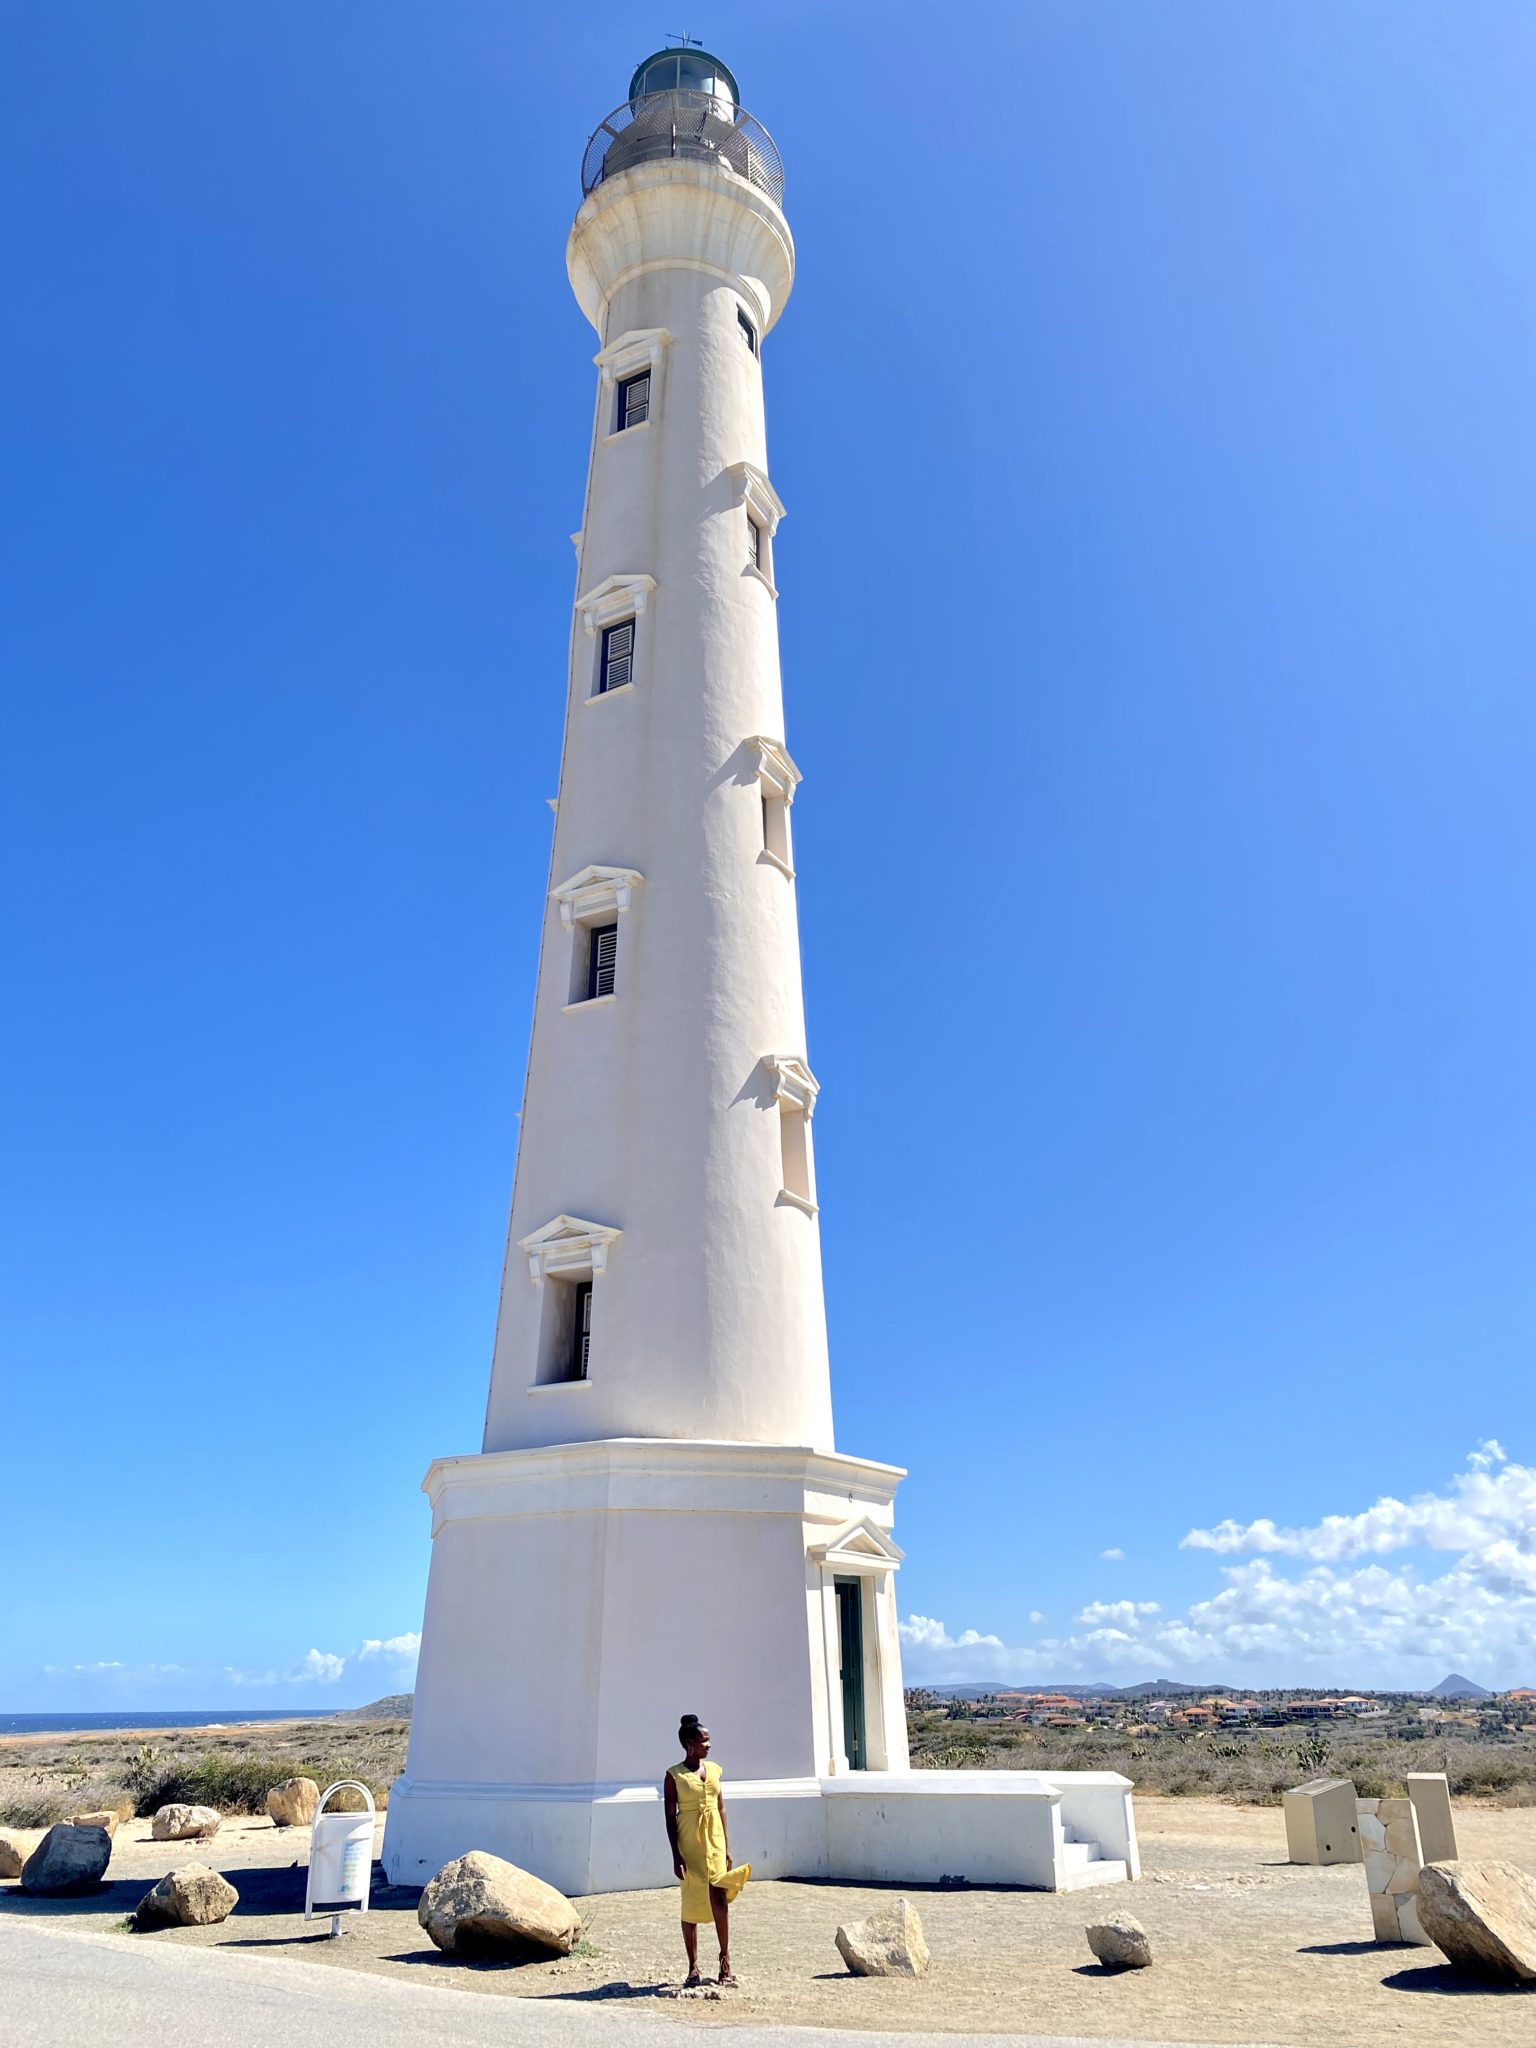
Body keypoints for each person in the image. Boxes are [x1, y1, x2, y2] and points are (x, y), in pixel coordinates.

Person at [663, 1714, 749, 1987]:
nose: (709, 1745)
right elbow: (669, 1817)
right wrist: (676, 1855)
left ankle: (725, 1960)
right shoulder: (674, 1776)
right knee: (690, 1901)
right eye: (704, 1740)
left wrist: (727, 1845)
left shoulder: (714, 1770)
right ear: (690, 1744)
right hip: (689, 1843)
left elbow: (721, 1807)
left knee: (719, 1898)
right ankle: (693, 1966)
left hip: (714, 1841)